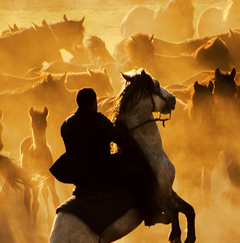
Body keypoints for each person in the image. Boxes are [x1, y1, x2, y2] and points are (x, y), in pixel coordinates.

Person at [50, 88, 161, 224]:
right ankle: (150, 213)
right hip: (101, 173)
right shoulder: (98, 120)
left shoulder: (66, 124)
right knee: (139, 171)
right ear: (93, 103)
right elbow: (118, 137)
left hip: (78, 176)